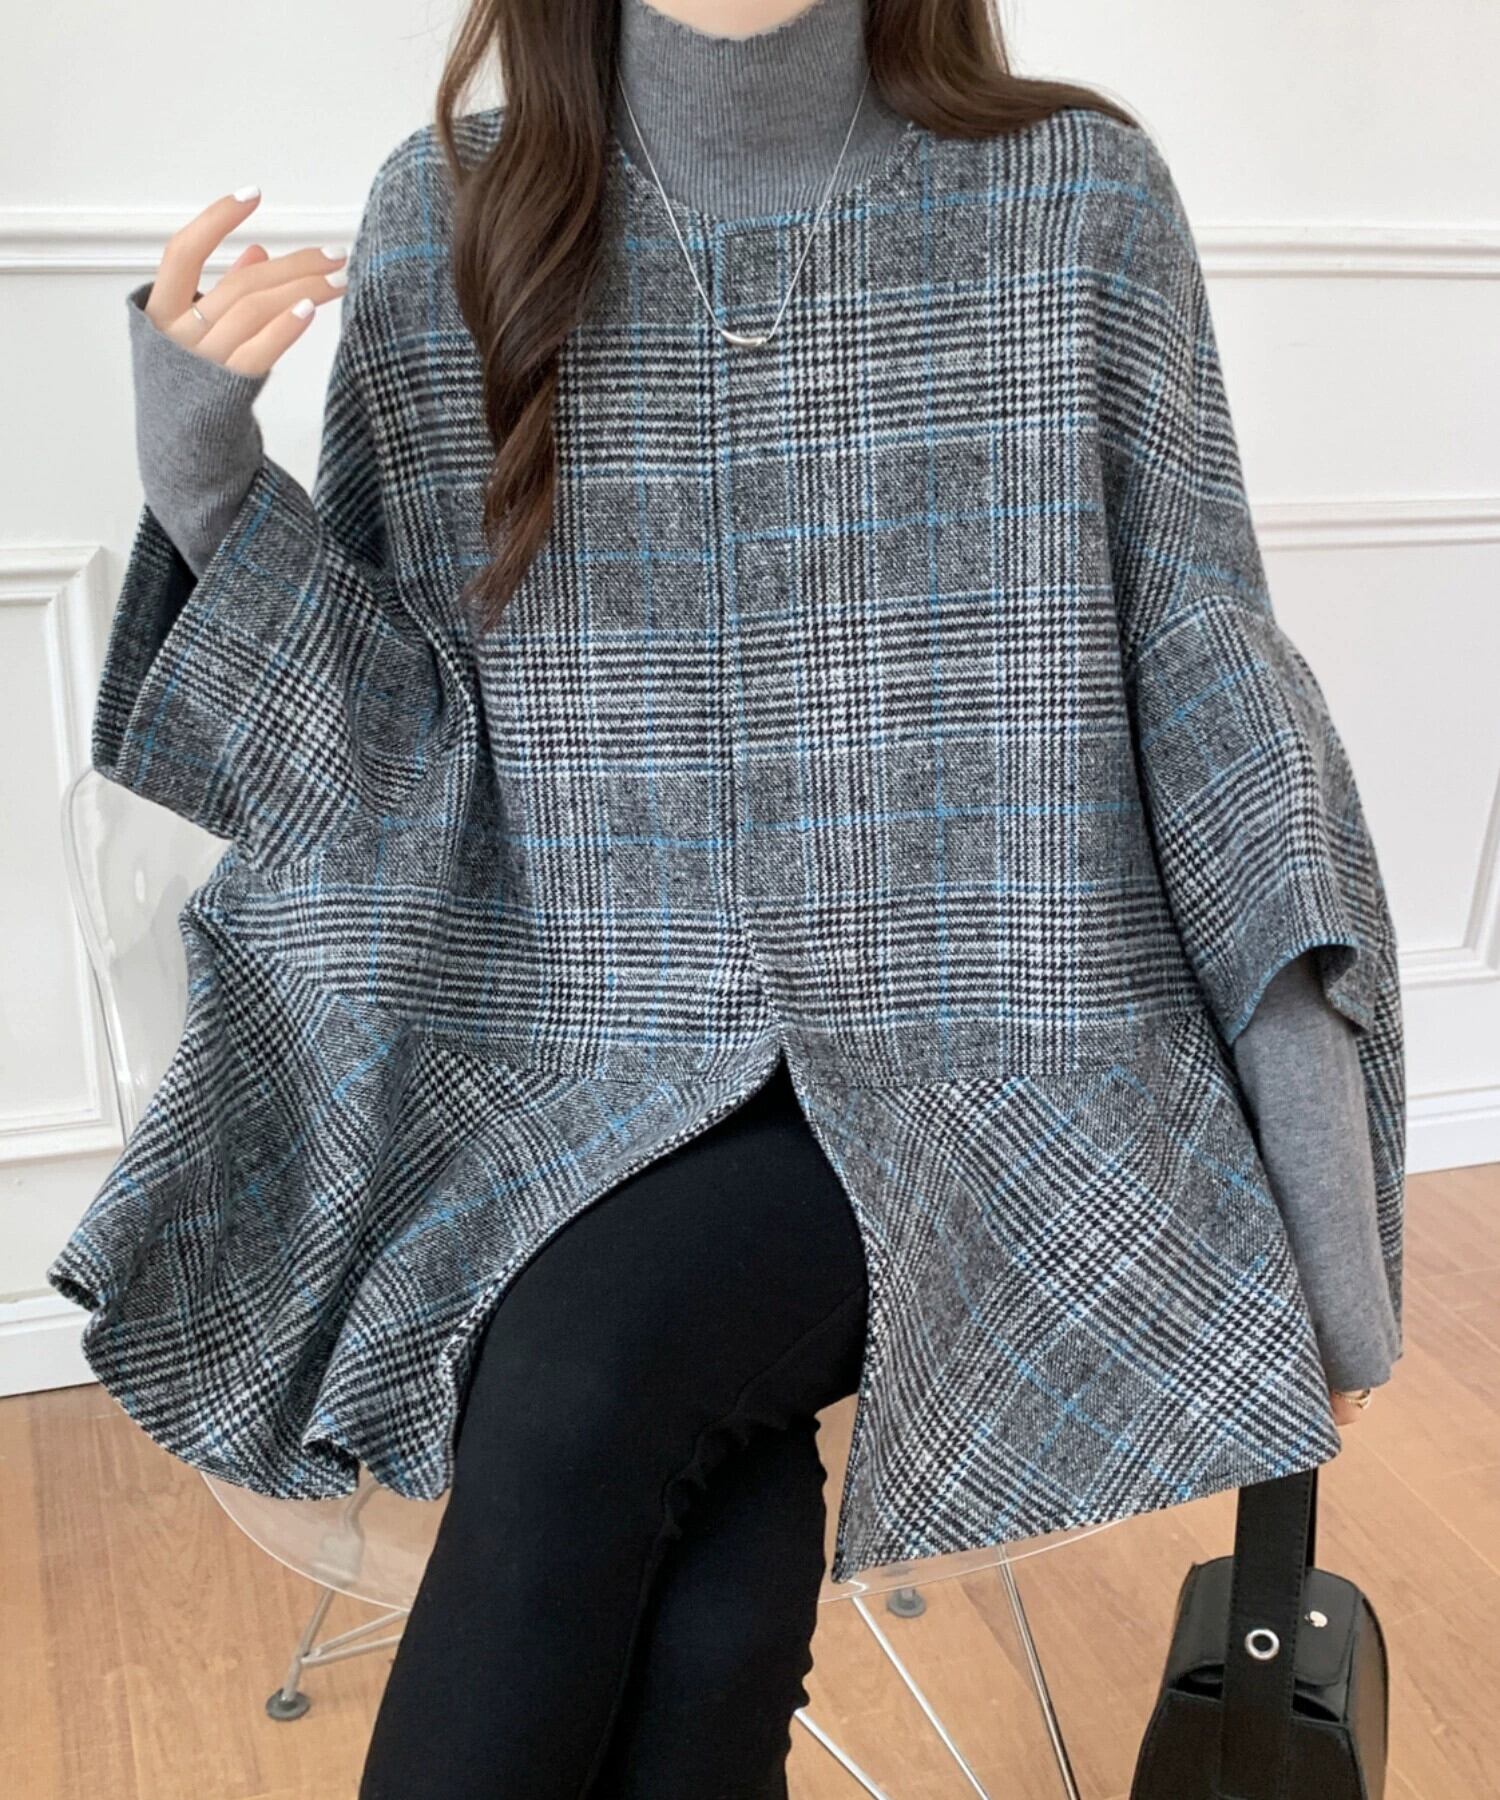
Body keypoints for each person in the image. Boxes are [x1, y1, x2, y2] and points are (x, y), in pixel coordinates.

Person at [61, 1, 1403, 1792]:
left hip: (1005, 1068)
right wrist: (208, 482)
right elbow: (388, 746)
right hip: (553, 1057)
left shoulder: (1074, 197)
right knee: (693, 1590)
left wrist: (1327, 1226)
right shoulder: (448, 216)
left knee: (583, 1381)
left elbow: (1216, 691)